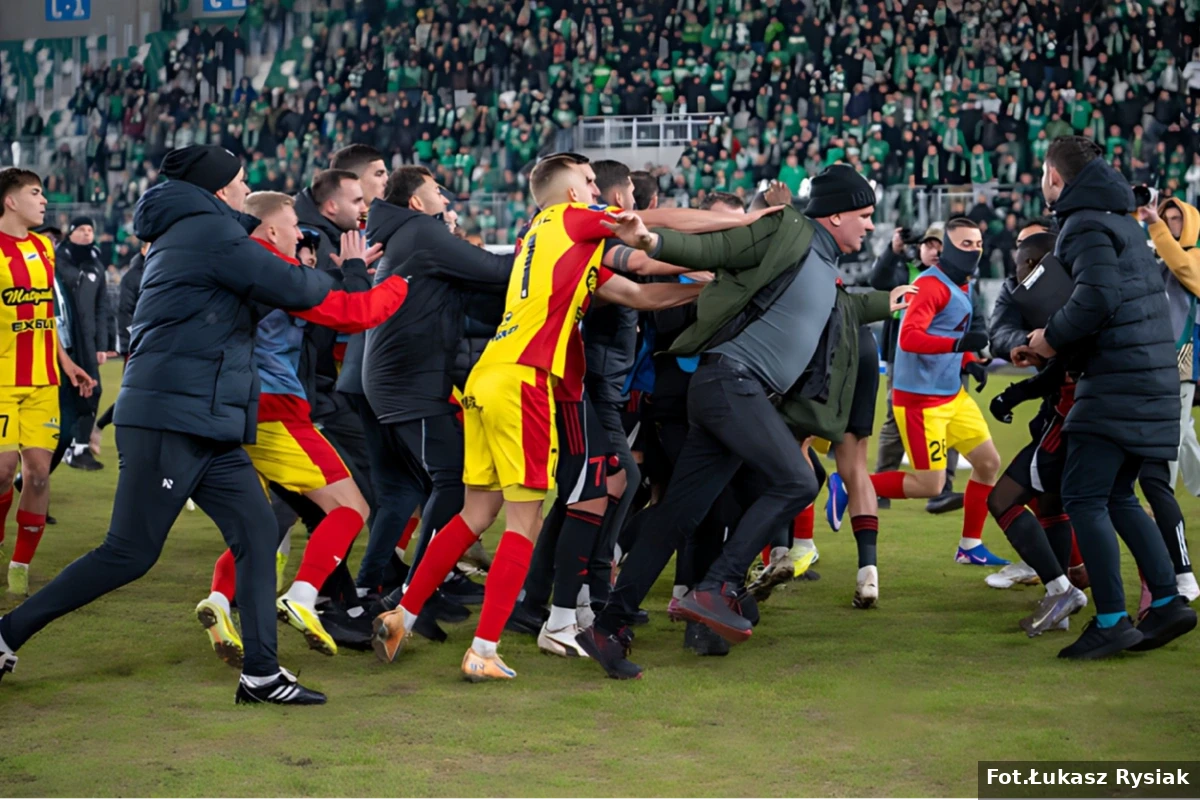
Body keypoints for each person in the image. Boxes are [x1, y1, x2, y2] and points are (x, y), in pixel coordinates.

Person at [0, 146, 380, 704]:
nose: (246, 188)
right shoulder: (210, 232)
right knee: (128, 553)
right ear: (219, 189)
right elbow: (299, 291)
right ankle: (7, 633)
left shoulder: (195, 230)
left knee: (256, 535)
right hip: (173, 417)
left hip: (202, 417)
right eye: (240, 180)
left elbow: (252, 300)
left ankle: (261, 675)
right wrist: (366, 277)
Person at [370, 153, 705, 681]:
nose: (596, 190)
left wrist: (704, 287)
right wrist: (740, 227)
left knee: (475, 514)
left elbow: (640, 295)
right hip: (524, 380)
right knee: (524, 521)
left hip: (488, 376)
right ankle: (484, 649)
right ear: (570, 192)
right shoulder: (570, 217)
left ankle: (402, 614)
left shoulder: (543, 243)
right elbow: (649, 236)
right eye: (588, 181)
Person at [582, 164, 877, 679]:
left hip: (730, 390)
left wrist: (891, 302)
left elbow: (844, 307)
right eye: (865, 214)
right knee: (798, 479)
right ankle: (718, 586)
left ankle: (608, 626)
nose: (871, 225)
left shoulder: (823, 261)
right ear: (835, 215)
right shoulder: (788, 229)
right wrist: (652, 240)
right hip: (731, 384)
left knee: (677, 515)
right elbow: (713, 248)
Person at [195, 190, 406, 667]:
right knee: (351, 506)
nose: (299, 235)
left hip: (231, 408)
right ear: (271, 230)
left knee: (262, 524)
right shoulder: (274, 271)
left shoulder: (234, 266)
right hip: (276, 407)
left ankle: (219, 601)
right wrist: (400, 281)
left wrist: (346, 275)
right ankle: (304, 595)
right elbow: (353, 315)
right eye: (292, 226)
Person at [1022, 136, 1196, 659]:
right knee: (1118, 495)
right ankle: (1166, 601)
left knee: (1082, 496)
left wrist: (1049, 338)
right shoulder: (1121, 220)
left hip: (1118, 380)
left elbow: (1097, 297)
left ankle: (1112, 620)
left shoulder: (1084, 224)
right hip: (1150, 377)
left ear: (1055, 177)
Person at [361, 165, 512, 623]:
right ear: (416, 202)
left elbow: (478, 302)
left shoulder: (413, 236)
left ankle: (400, 585)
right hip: (409, 383)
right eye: (437, 192)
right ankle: (412, 592)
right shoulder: (422, 233)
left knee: (417, 489)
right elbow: (496, 269)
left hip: (404, 380)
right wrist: (540, 246)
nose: (446, 200)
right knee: (453, 481)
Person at [862, 217, 1008, 568]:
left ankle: (969, 546)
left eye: (978, 244)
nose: (974, 250)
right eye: (966, 244)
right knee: (929, 485)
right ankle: (853, 485)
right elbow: (909, 338)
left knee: (988, 463)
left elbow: (951, 330)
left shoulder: (962, 284)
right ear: (949, 247)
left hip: (951, 394)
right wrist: (959, 345)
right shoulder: (929, 285)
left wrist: (968, 361)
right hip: (920, 400)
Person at [985, 233, 1090, 635]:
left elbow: (1065, 370)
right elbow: (1061, 367)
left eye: (1018, 266)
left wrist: (1016, 391)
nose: (1014, 275)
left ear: (1033, 266)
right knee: (1051, 505)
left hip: (1066, 424)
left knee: (1003, 500)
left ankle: (1064, 590)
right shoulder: (1080, 294)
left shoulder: (1065, 302)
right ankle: (1060, 597)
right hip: (1076, 419)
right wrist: (1017, 390)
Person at [0, 169, 95, 599]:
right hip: (3, 381)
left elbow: (45, 316)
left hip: (43, 381)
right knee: (3, 471)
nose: (44, 201)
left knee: (38, 474)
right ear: (10, 201)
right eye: (36, 193)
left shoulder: (43, 248)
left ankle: (20, 567)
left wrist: (66, 362)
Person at [870, 224, 963, 513]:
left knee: (948, 420)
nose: (934, 251)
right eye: (929, 245)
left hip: (945, 359)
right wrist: (893, 250)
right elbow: (877, 279)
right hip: (904, 358)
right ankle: (880, 484)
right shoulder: (905, 271)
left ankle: (942, 490)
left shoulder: (956, 279)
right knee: (896, 420)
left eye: (940, 246)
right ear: (919, 248)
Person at [1141, 197, 1200, 499]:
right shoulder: (1159, 259)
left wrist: (1155, 226)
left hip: (1184, 354)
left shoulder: (1195, 258)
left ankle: (1163, 501)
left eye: (1177, 219)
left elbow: (1182, 265)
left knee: (1171, 430)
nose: (1170, 224)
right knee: (1181, 427)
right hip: (1156, 353)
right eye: (1166, 218)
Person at [54, 217, 114, 471]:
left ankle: (79, 447)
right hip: (62, 339)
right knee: (65, 393)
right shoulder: (56, 262)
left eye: (90, 229)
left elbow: (102, 307)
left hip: (87, 341)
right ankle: (63, 446)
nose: (87, 233)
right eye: (81, 229)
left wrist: (102, 344)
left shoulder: (96, 265)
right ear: (70, 234)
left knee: (93, 390)